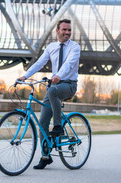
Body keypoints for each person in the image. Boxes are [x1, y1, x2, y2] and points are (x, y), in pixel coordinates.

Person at [18, 18, 81, 169]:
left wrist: (58, 75)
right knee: (42, 123)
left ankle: (58, 126)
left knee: (52, 89)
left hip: (68, 84)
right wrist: (25, 76)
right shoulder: (51, 47)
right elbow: (39, 63)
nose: (67, 33)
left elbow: (69, 64)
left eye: (69, 30)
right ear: (57, 31)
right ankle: (45, 156)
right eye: (64, 30)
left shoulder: (75, 47)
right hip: (54, 85)